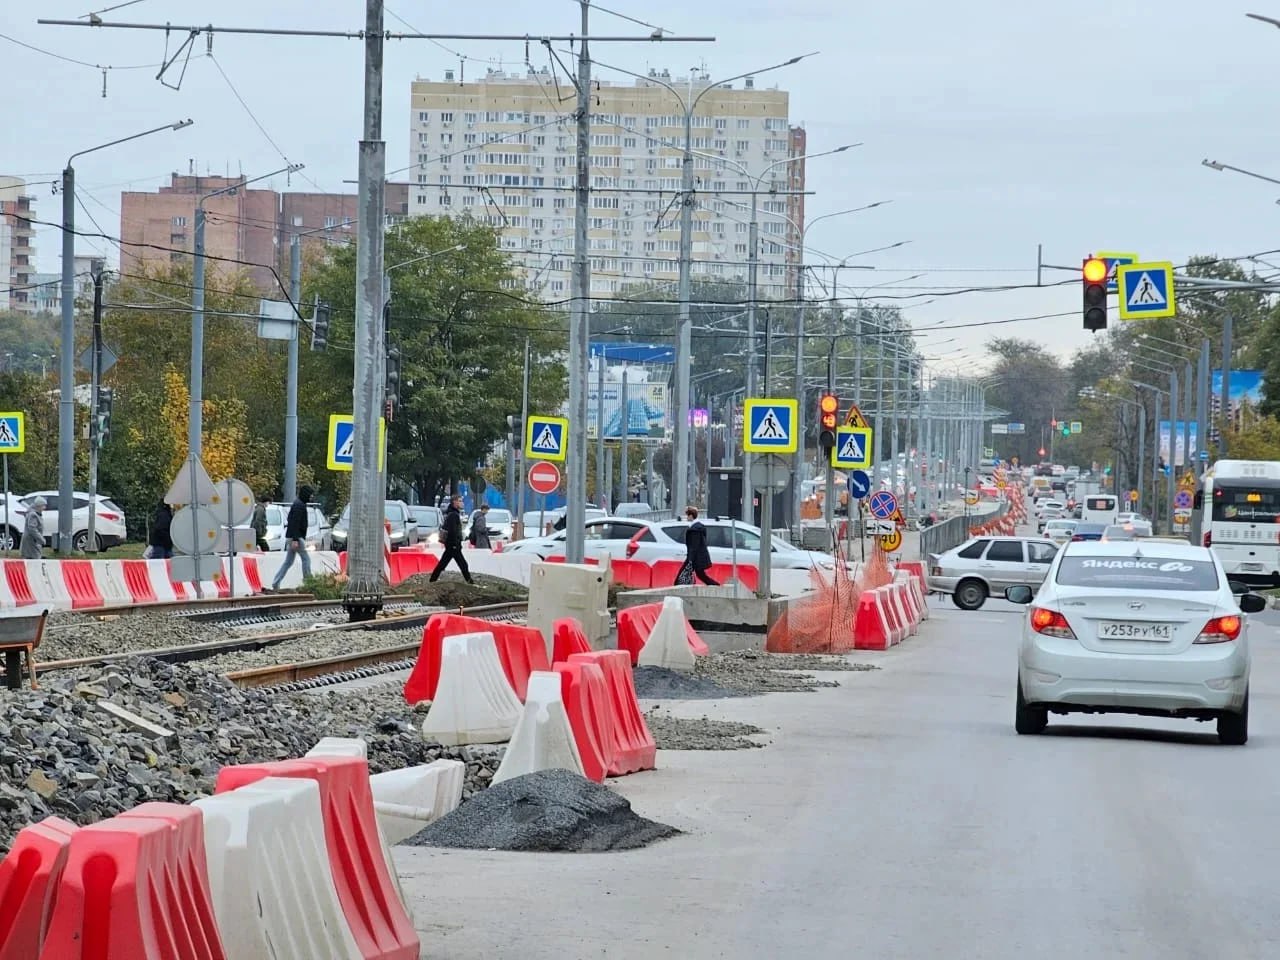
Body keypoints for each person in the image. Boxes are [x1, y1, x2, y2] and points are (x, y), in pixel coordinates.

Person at [270, 485, 313, 590]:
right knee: (306, 559)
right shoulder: (300, 505)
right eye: (310, 495)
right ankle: (309, 583)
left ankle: (276, 582)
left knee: (288, 562)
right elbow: (295, 523)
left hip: (292, 537)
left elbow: (290, 519)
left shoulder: (297, 504)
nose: (311, 497)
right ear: (306, 494)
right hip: (296, 538)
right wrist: (295, 539)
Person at [430, 494, 473, 584]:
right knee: (462, 564)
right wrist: (455, 544)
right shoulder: (453, 515)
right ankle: (470, 582)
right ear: (455, 502)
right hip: (453, 545)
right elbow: (453, 531)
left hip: (452, 545)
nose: (462, 503)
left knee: (443, 564)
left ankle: (432, 580)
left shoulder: (452, 513)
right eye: (460, 501)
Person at [680, 506, 718, 585]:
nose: (686, 517)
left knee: (681, 575)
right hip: (697, 557)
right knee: (701, 575)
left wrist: (690, 560)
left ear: (691, 516)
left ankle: (676, 589)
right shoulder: (698, 527)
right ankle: (716, 586)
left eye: (687, 515)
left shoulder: (695, 530)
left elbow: (694, 546)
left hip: (695, 558)